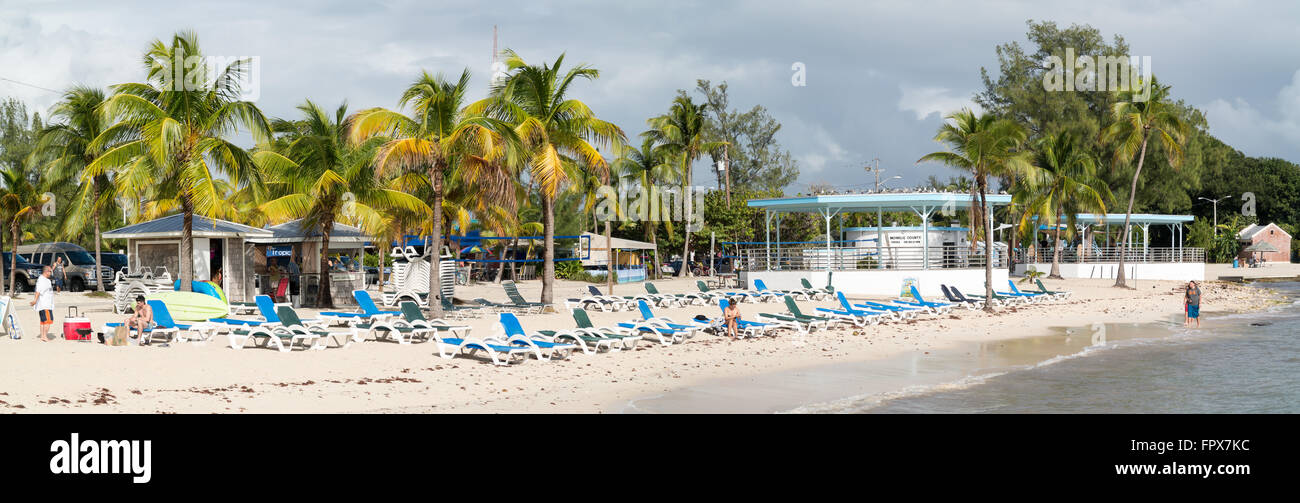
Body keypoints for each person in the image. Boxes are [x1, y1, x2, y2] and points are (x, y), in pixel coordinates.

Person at [30, 265, 55, 342]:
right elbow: (38, 291)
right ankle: (44, 336)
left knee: (43, 321)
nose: (51, 273)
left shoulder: (45, 280)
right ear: (46, 271)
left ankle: (42, 336)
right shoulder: (42, 280)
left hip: (46, 304)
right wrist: (35, 300)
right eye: (50, 271)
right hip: (45, 305)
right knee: (48, 321)